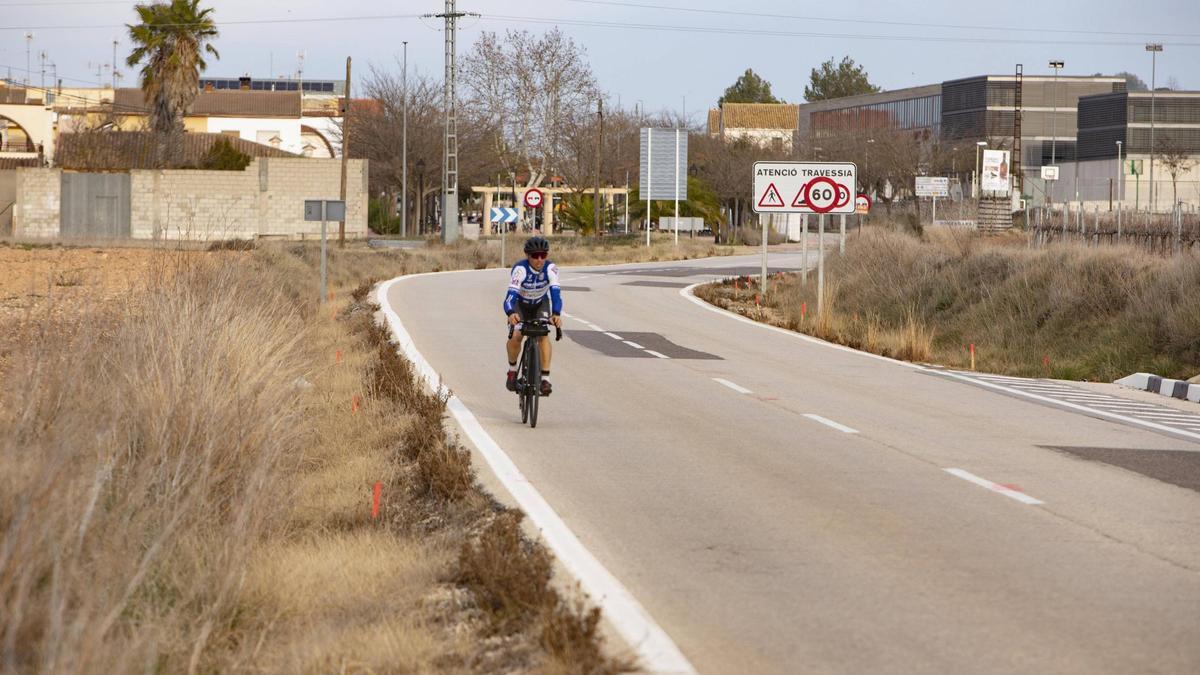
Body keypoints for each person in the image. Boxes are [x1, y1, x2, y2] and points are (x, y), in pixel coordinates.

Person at [504, 236, 562, 395]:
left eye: (543, 255)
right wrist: (510, 313)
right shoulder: (520, 270)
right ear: (527, 256)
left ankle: (545, 378)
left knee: (543, 335)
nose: (539, 259)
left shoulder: (551, 269)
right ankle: (512, 370)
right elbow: (510, 296)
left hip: (540, 304)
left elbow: (556, 293)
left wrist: (556, 313)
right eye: (535, 256)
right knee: (516, 335)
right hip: (520, 305)